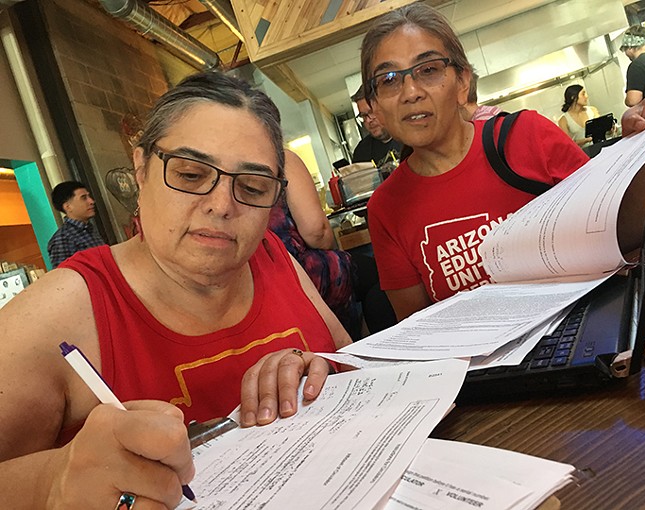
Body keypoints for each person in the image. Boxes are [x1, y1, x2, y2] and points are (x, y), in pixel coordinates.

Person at [0, 71, 351, 507]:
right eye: (189, 174)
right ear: (141, 168)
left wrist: (311, 368)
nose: (222, 205)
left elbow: (346, 356)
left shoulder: (271, 256)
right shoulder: (52, 316)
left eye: (253, 187)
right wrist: (50, 480)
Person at [359, 4, 593, 321]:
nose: (410, 92)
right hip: (485, 367)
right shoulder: (386, 208)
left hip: (582, 331)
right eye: (389, 79)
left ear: (462, 82)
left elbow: (618, 231)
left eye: (428, 70)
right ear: (375, 105)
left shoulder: (528, 136)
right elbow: (420, 330)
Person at [269, 150, 396, 339]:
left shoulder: (222, 165)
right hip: (298, 272)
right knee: (382, 277)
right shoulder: (280, 158)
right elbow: (317, 232)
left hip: (255, 286)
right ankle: (372, 348)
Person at [47, 180, 106, 267]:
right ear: (68, 207)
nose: (91, 201)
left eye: (89, 196)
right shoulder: (62, 239)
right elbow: (63, 275)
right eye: (83, 198)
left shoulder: (90, 229)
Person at [351, 85, 403, 165]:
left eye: (371, 112)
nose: (368, 120)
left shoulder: (410, 134)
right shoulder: (362, 152)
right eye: (364, 116)